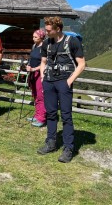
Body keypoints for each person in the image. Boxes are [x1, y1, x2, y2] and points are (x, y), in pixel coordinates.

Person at [37, 16, 85, 163]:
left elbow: (82, 64)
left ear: (58, 29)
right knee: (50, 113)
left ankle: (68, 148)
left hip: (64, 82)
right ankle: (51, 142)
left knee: (66, 115)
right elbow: (43, 61)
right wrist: (43, 77)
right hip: (49, 82)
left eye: (49, 30)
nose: (46, 32)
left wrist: (69, 81)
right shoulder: (46, 43)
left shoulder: (72, 42)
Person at [26, 29, 46, 127]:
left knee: (40, 96)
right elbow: (32, 59)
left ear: (41, 37)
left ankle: (42, 118)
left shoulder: (44, 48)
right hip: (32, 74)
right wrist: (29, 66)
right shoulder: (34, 46)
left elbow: (45, 63)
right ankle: (37, 115)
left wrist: (34, 69)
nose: (33, 39)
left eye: (35, 37)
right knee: (35, 95)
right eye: (33, 37)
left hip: (40, 74)